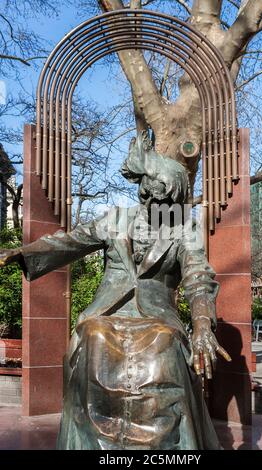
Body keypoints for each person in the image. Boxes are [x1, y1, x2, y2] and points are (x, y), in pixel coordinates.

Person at [0, 132, 231, 450]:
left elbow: (198, 279)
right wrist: (23, 253)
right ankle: (95, 441)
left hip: (157, 316)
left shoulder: (184, 230)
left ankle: (168, 444)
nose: (152, 204)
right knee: (93, 335)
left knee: (165, 339)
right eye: (148, 196)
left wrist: (203, 324)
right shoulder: (116, 220)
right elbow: (70, 241)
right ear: (142, 192)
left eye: (163, 201)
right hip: (109, 311)